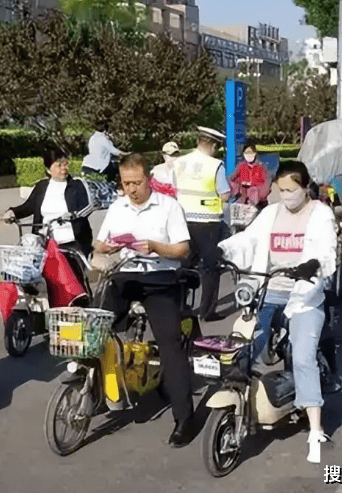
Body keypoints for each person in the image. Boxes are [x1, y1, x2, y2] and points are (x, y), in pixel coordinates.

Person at [218, 160, 337, 463]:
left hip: (305, 296)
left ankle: (315, 427)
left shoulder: (320, 214)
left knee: (302, 358)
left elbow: (326, 252)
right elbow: (247, 239)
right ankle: (241, 402)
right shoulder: (271, 213)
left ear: (305, 186)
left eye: (291, 189)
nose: (285, 196)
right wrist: (220, 250)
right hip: (269, 290)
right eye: (280, 190)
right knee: (245, 343)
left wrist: (314, 265)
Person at [94, 153, 195, 448]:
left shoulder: (168, 207)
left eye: (136, 183)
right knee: (95, 325)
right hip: (125, 276)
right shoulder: (117, 207)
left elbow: (182, 250)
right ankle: (97, 389)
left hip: (160, 279)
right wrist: (107, 247)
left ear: (148, 179)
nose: (131, 189)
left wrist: (154, 247)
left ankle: (184, 419)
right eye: (126, 184)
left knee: (169, 345)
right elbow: (99, 243)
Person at [2, 147, 93, 286]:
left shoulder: (77, 186)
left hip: (70, 240)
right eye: (58, 165)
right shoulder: (42, 187)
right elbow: (29, 206)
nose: (63, 168)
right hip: (44, 239)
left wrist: (73, 216)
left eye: (65, 164)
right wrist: (12, 212)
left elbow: (85, 208)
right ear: (49, 170)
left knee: (71, 276)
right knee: (22, 265)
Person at [174, 126, 230, 321]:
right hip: (208, 222)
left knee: (183, 266)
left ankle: (180, 307)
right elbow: (224, 194)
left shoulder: (179, 163)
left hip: (181, 221)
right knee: (210, 268)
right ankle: (207, 312)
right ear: (214, 145)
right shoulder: (215, 165)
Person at [227, 140, 271, 207]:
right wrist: (240, 184)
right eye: (246, 152)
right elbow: (232, 179)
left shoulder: (261, 167)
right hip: (243, 195)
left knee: (254, 191)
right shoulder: (241, 166)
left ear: (255, 153)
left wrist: (257, 189)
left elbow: (266, 183)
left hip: (257, 197)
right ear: (243, 154)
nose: (249, 155)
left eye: (250, 152)